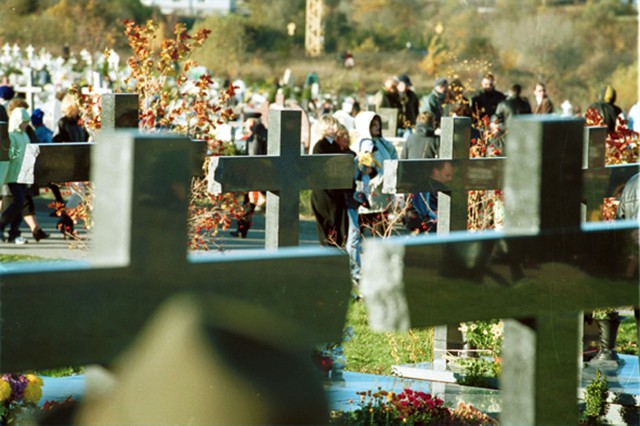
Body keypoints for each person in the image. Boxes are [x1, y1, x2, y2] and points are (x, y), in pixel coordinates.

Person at [353, 111, 398, 236]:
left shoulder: (383, 143)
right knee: (359, 232)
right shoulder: (361, 144)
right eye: (374, 125)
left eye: (379, 124)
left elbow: (394, 159)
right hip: (369, 194)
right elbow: (363, 167)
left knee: (381, 232)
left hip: (383, 196)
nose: (378, 127)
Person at [310, 115, 348, 246]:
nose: (334, 128)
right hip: (324, 192)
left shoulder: (334, 146)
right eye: (331, 125)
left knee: (336, 225)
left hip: (335, 192)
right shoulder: (320, 146)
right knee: (326, 225)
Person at [230, 113, 268, 239]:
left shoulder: (255, 136)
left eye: (246, 121)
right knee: (251, 204)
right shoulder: (263, 132)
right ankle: (241, 229)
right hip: (264, 173)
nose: (245, 124)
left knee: (247, 205)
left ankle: (241, 230)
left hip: (254, 175)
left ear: (251, 122)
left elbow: (253, 157)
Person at [0, 108, 33, 244]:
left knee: (19, 205)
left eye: (26, 122)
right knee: (18, 202)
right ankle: (1, 225)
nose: (25, 125)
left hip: (23, 174)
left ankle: (14, 232)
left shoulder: (25, 135)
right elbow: (9, 156)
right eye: (23, 122)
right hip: (13, 175)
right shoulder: (11, 135)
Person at [404, 161, 454, 234]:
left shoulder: (419, 185)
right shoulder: (439, 189)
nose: (450, 179)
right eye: (447, 175)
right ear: (435, 172)